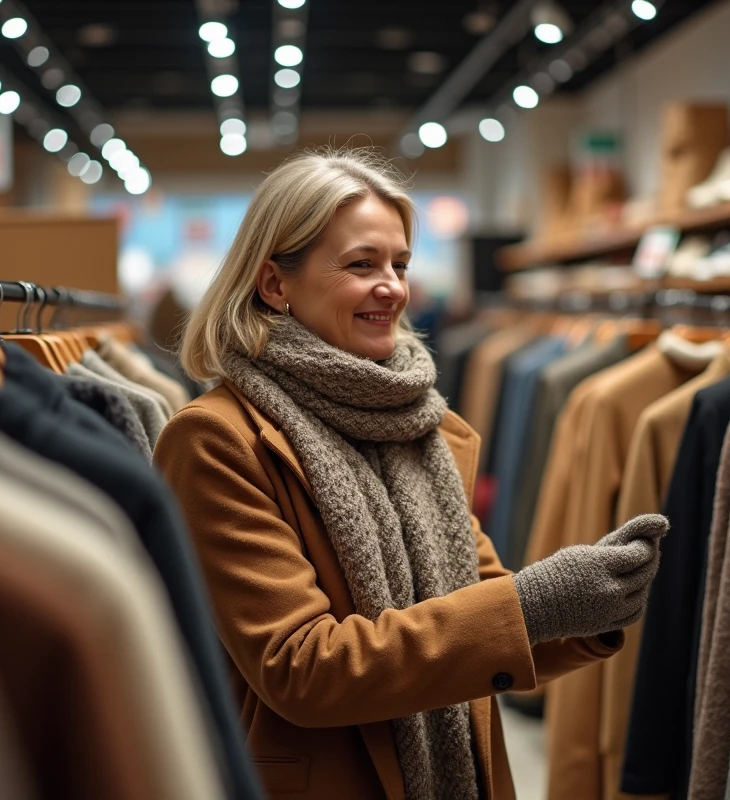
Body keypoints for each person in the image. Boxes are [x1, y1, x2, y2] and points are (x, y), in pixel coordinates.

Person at [153, 146, 666, 800]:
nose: (393, 287)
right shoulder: (216, 440)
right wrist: (535, 603)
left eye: (400, 264)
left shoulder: (423, 427)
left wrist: (591, 606)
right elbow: (301, 667)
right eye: (361, 264)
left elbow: (488, 617)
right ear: (275, 284)